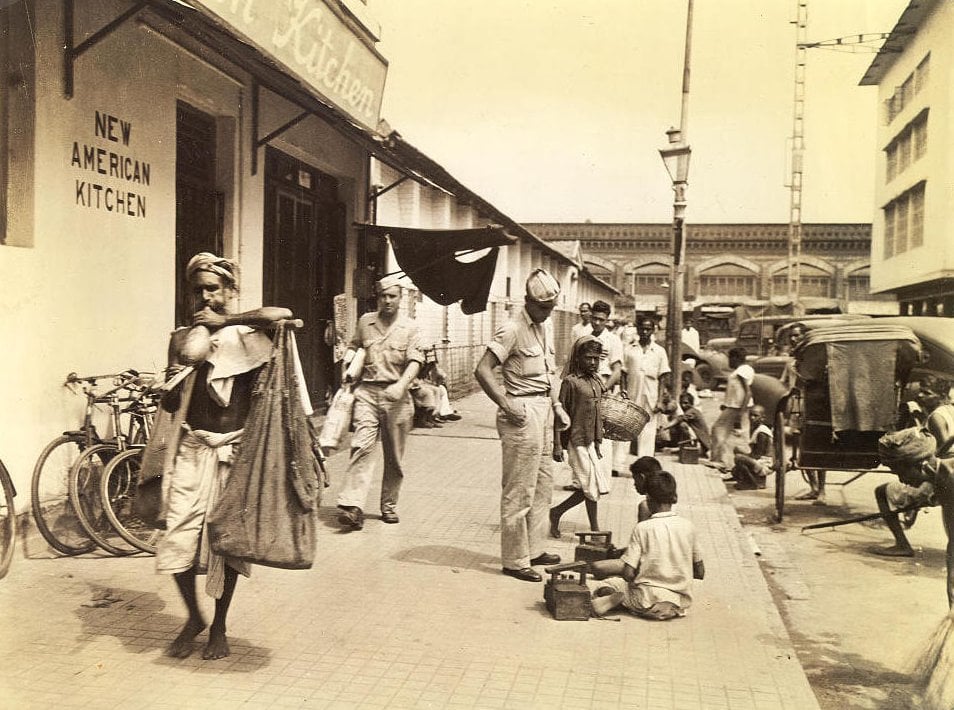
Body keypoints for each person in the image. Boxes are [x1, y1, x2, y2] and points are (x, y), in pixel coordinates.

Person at [157, 252, 292, 660]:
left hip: (234, 451)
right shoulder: (181, 338)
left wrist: (225, 322)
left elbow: (281, 313)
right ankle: (193, 617)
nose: (204, 297)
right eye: (198, 290)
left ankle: (219, 625)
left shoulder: (251, 335)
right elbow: (171, 405)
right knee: (177, 539)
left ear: (230, 291)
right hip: (193, 448)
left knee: (226, 543)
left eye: (213, 289)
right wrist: (172, 386)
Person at [475, 268, 571, 583]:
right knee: (520, 489)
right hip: (522, 409)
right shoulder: (511, 329)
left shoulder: (545, 326)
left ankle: (535, 547)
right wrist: (505, 403)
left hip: (544, 409)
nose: (548, 312)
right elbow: (483, 369)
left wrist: (557, 407)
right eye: (543, 307)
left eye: (551, 307)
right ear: (527, 301)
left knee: (543, 486)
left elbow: (550, 372)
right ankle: (515, 560)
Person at [336, 276, 424, 530]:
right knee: (361, 446)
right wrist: (349, 362)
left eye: (392, 296)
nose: (387, 300)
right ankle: (353, 506)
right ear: (378, 298)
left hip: (397, 397)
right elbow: (354, 345)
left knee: (394, 457)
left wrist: (401, 385)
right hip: (367, 393)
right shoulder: (366, 321)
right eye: (383, 296)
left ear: (401, 298)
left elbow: (415, 361)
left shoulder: (411, 328)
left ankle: (389, 505)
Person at [587, 471, 705, 619]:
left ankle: (622, 601)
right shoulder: (689, 526)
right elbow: (700, 572)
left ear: (648, 499)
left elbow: (628, 573)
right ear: (674, 497)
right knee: (668, 597)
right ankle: (666, 608)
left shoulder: (643, 528)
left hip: (646, 596)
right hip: (681, 598)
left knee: (608, 585)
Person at [872, 402, 954, 560]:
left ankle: (902, 545)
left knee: (881, 492)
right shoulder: (942, 415)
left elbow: (943, 454)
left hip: (938, 473)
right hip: (936, 468)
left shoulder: (939, 415)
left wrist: (928, 460)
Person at [549, 336, 608, 538]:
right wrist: (557, 444)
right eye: (588, 358)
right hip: (576, 440)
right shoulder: (571, 382)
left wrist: (599, 441)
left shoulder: (597, 381)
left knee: (592, 486)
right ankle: (595, 530)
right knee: (591, 486)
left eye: (596, 358)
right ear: (578, 357)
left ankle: (556, 512)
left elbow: (599, 411)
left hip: (592, 440)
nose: (593, 362)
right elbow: (560, 413)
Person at [619, 316, 672, 463]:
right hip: (632, 395)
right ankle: (617, 465)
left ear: (653, 330)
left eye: (648, 329)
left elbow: (663, 376)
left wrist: (660, 400)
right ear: (638, 329)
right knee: (625, 429)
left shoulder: (659, 351)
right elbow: (623, 373)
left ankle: (645, 464)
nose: (645, 332)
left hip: (651, 396)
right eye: (642, 328)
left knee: (648, 433)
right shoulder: (629, 349)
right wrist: (623, 393)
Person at [585, 300, 623, 481]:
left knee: (603, 437)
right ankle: (582, 480)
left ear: (607, 320)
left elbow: (617, 371)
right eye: (594, 318)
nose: (597, 323)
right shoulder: (584, 337)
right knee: (584, 434)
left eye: (601, 319)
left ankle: (602, 478)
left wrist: (604, 389)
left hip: (604, 390)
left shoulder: (613, 340)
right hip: (584, 391)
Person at [710, 347, 753, 471]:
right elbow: (736, 391)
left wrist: (740, 412)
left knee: (718, 430)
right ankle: (728, 461)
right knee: (731, 435)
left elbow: (748, 392)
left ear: (736, 358)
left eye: (730, 358)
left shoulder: (742, 371)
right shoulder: (741, 370)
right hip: (733, 406)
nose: (729, 361)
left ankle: (719, 460)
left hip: (737, 408)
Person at [724, 404, 771, 489]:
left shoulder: (762, 432)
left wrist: (745, 457)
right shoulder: (756, 428)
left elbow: (759, 454)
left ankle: (752, 483)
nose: (752, 418)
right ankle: (749, 479)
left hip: (764, 463)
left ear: (763, 418)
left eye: (755, 416)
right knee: (737, 454)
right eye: (751, 415)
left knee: (739, 457)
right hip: (759, 461)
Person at [664, 391, 711, 457]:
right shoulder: (691, 411)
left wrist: (665, 427)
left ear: (691, 403)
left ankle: (686, 447)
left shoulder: (692, 411)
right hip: (700, 438)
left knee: (682, 425)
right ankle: (683, 446)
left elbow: (679, 419)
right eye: (681, 403)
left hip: (704, 441)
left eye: (686, 403)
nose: (683, 405)